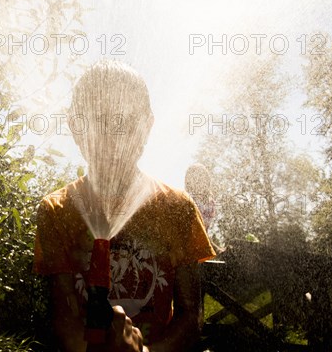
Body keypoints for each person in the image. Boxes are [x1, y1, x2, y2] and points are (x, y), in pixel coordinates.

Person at [33, 60, 215, 352]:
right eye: (99, 122)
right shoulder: (57, 210)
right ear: (76, 127)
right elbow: (64, 318)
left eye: (125, 123)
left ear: (146, 127)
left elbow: (191, 315)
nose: (112, 139)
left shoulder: (178, 208)